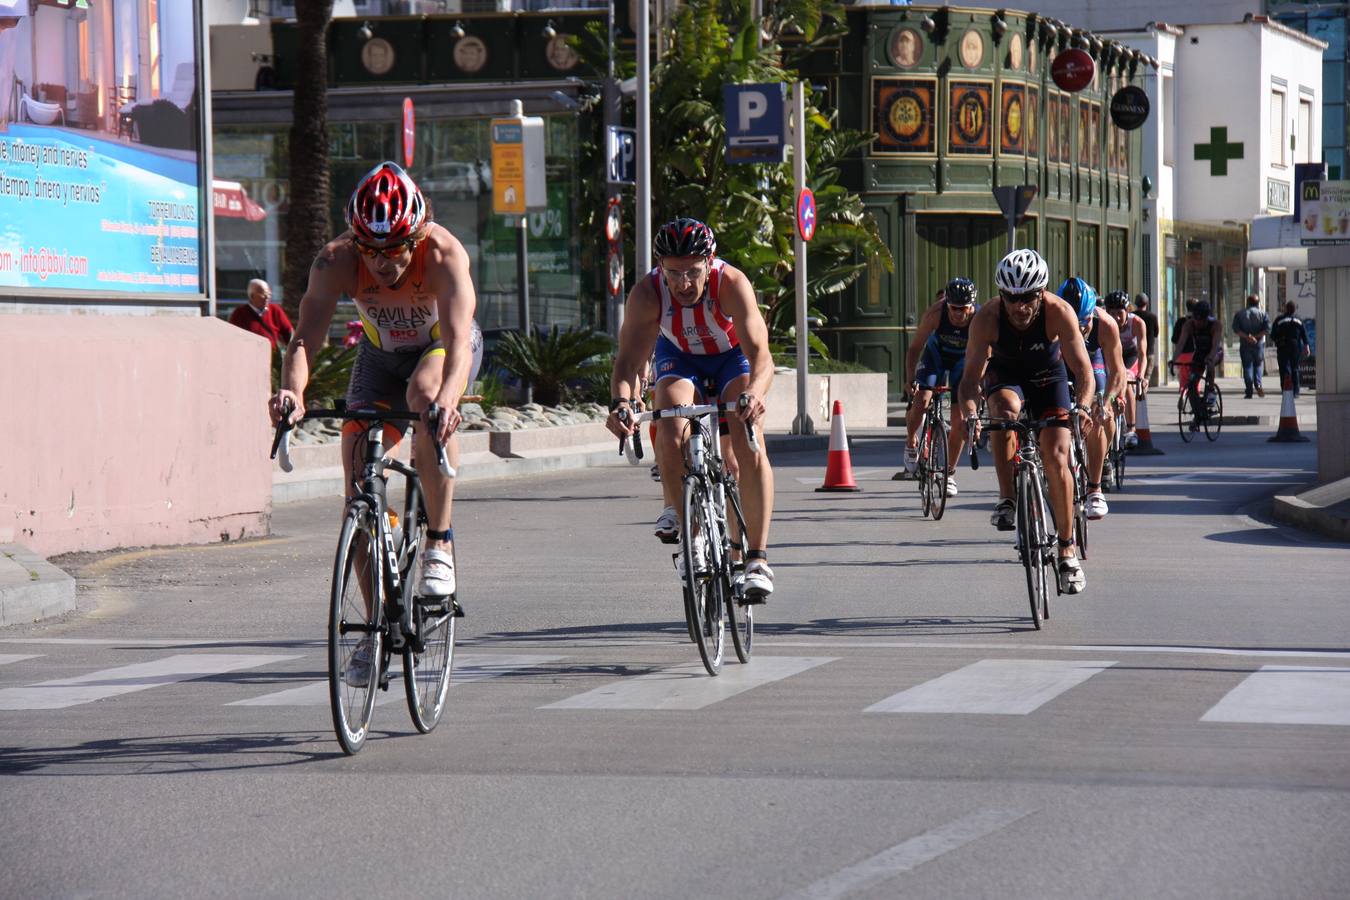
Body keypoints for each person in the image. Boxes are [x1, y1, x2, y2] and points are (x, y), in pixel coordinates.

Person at [269, 161, 483, 615]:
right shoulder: (335, 260)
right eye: (370, 250)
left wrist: (448, 401)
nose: (382, 263)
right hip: (379, 356)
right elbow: (305, 336)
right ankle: (375, 624)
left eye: (396, 250)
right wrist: (292, 392)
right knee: (357, 487)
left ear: (417, 236)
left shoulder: (443, 254)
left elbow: (460, 341)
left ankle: (438, 544)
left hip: (441, 348)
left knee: (424, 400)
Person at [606, 217, 776, 602]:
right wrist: (620, 404)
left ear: (709, 262)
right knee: (669, 426)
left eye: (693, 272)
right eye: (674, 273)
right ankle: (688, 528)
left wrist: (754, 392)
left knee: (747, 445)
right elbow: (627, 363)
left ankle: (756, 558)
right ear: (661, 268)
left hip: (731, 359)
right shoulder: (648, 293)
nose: (683, 283)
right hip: (679, 358)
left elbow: (761, 355)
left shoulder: (730, 283)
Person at [959, 249, 1096, 594]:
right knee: (1002, 414)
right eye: (1011, 297)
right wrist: (970, 413)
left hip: (1048, 379)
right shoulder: (987, 318)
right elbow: (970, 380)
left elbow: (1084, 372)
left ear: (1042, 292)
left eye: (1028, 298)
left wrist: (1082, 406)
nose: (1020, 307)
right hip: (1007, 377)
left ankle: (1066, 550)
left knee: (1056, 456)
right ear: (1001, 294)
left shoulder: (1059, 312)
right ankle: (1008, 499)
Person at [901, 277, 978, 495]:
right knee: (921, 401)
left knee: (959, 420)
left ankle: (949, 473)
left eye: (963, 308)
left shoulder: (980, 318)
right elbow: (915, 348)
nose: (958, 314)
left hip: (961, 361)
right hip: (935, 357)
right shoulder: (936, 313)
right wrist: (910, 379)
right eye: (953, 308)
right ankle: (911, 441)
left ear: (971, 305)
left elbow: (987, 352)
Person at [1059, 278, 1126, 520]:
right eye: (1072, 325)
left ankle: (1094, 488)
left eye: (1083, 323)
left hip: (1093, 360)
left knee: (1099, 410)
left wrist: (1108, 401)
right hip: (1063, 364)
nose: (1079, 330)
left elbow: (1118, 372)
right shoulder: (1053, 320)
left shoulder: (1105, 324)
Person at [1170, 299, 1224, 432]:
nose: (1198, 323)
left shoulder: (1215, 325)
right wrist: (1173, 360)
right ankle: (1198, 414)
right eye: (1196, 319)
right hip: (1199, 353)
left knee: (1210, 363)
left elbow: (1215, 344)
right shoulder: (1189, 325)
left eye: (1201, 320)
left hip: (1215, 352)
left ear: (1207, 317)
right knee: (1191, 383)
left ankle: (1210, 391)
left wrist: (1210, 357)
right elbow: (1181, 344)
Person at [1105, 290, 1148, 448]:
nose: (1116, 318)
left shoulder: (1137, 323)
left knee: (1127, 381)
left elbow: (1142, 353)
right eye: (1112, 313)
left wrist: (1141, 375)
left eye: (1119, 313)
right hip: (1112, 353)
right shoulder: (1105, 323)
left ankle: (1131, 429)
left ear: (1127, 310)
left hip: (1130, 355)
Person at [228, 278, 294, 350]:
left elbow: (289, 333)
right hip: (249, 356)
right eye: (263, 294)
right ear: (252, 296)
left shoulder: (275, 310)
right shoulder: (239, 313)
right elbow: (232, 337)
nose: (267, 297)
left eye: (269, 294)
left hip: (273, 357)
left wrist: (292, 350)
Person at [1232, 294, 1270, 398]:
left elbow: (1236, 329)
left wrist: (1248, 337)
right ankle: (1258, 384)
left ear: (1247, 302)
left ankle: (1249, 389)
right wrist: (1256, 337)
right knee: (1258, 364)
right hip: (1258, 344)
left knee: (1247, 366)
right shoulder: (1263, 314)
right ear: (1258, 303)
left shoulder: (1240, 314)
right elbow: (1267, 330)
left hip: (1245, 343)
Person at [1271, 301, 1311, 398]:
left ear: (1285, 308)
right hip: (1295, 346)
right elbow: (1304, 335)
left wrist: (1277, 340)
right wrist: (1307, 347)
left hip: (1283, 346)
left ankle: (1285, 390)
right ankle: (1296, 392)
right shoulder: (1299, 320)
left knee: (1284, 369)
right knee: (1295, 369)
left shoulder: (1279, 320)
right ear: (1294, 309)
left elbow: (1273, 335)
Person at [1132, 293, 1159, 384]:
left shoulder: (1132, 316)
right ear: (1147, 303)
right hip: (1149, 350)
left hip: (1135, 352)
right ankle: (1143, 394)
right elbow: (1156, 333)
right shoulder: (1152, 316)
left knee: (1134, 377)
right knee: (1145, 378)